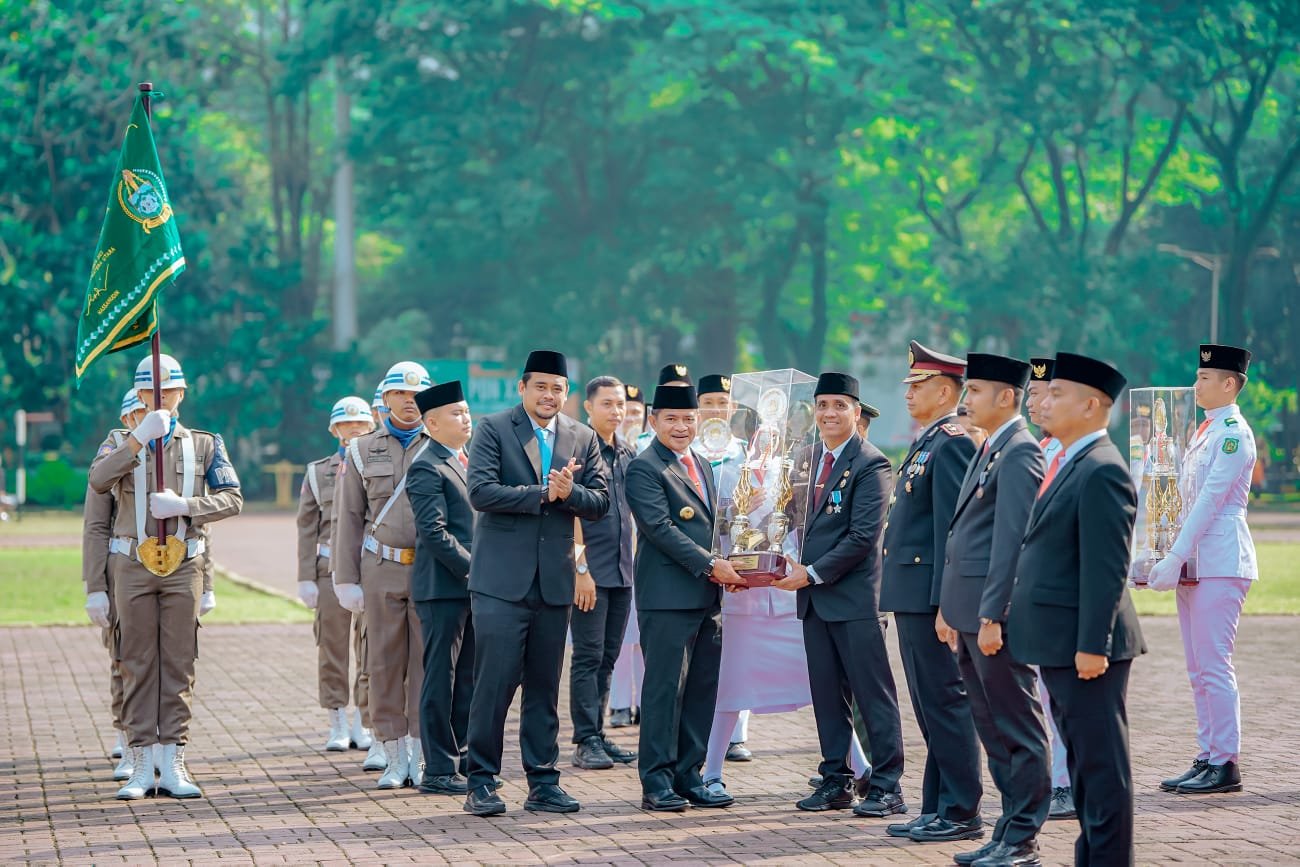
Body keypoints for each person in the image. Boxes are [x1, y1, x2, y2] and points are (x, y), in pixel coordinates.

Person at [1008, 352, 1145, 867]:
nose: (1045, 399)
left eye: (1059, 392)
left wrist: (1094, 645)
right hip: (1061, 641)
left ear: (1092, 405)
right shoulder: (1069, 460)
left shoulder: (1102, 469)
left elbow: (1106, 569)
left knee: (1103, 770)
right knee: (1087, 768)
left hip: (1087, 646)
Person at [87, 354, 243, 800]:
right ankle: (139, 762)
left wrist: (186, 507)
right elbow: (98, 481)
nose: (160, 398)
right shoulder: (117, 441)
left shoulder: (205, 444)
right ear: (138, 395)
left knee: (179, 662)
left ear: (181, 393)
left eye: (168, 390)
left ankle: (172, 759)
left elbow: (233, 498)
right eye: (150, 391)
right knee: (135, 662)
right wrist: (138, 440)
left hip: (184, 565)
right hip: (131, 566)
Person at [462, 350, 610, 816]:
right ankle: (481, 780)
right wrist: (544, 493)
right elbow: (481, 492)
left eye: (558, 388)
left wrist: (572, 493)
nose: (549, 396)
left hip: (554, 583)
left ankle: (543, 780)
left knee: (545, 687)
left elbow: (601, 501)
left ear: (567, 394)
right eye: (541, 386)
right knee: (495, 684)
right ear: (522, 388)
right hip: (500, 583)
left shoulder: (581, 436)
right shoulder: (493, 429)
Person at [773, 372, 904, 818]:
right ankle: (836, 780)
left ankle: (887, 785)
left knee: (872, 696)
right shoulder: (805, 459)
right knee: (827, 695)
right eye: (823, 404)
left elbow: (862, 536)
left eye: (839, 405)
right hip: (814, 601)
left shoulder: (872, 463)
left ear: (855, 411)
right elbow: (789, 523)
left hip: (853, 600)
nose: (829, 413)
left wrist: (810, 573)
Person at [939, 353, 1049, 867]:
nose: (967, 400)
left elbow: (1014, 544)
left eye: (976, 391)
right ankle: (1006, 829)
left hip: (992, 618)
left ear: (1007, 396)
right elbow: (963, 537)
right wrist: (950, 608)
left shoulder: (1021, 452)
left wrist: (993, 615)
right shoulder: (991, 449)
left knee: (1016, 727)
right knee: (992, 728)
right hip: (967, 614)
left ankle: (1023, 837)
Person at [878, 342, 983, 842]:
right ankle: (937, 805)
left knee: (944, 701)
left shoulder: (953, 442)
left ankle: (961, 810)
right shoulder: (929, 440)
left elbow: (952, 530)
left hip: (929, 597)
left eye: (917, 386)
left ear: (945, 391)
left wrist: (946, 603)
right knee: (927, 704)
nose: (909, 394)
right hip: (910, 592)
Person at [626, 384, 745, 812]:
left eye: (689, 418)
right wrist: (713, 565)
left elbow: (714, 530)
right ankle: (656, 780)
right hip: (667, 598)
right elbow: (660, 529)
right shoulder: (644, 468)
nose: (681, 426)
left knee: (701, 689)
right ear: (653, 420)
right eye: (671, 419)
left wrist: (736, 562)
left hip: (706, 596)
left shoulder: (702, 463)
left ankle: (689, 775)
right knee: (664, 691)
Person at [1147, 344, 1257, 796]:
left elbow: (1211, 500)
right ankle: (1207, 754)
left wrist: (1174, 556)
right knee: (1197, 667)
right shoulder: (1204, 431)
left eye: (1205, 379)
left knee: (1214, 664)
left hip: (1220, 559)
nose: (1196, 386)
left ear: (1229, 384)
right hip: (1195, 558)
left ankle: (1225, 761)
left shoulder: (1233, 433)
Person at [333, 361, 433, 790]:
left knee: (428, 664)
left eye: (416, 395)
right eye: (400, 395)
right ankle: (392, 754)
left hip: (433, 570)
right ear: (386, 399)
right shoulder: (360, 450)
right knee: (384, 663)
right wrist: (345, 578)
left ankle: (422, 753)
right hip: (382, 568)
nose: (409, 402)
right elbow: (348, 519)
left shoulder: (446, 445)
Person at [406, 380, 478, 795]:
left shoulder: (467, 460)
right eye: (456, 413)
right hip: (444, 588)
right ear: (432, 422)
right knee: (441, 677)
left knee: (468, 674)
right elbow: (433, 532)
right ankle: (437, 767)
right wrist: (474, 570)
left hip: (472, 587)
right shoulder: (426, 465)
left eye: (467, 411)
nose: (465, 418)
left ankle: (463, 756)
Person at [296, 396, 375, 756]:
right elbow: (306, 528)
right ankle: (337, 721)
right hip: (329, 570)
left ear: (372, 426)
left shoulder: (379, 465)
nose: (354, 429)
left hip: (371, 569)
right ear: (334, 430)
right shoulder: (317, 471)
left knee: (372, 650)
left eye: (361, 423)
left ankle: (364, 721)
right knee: (333, 648)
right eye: (347, 424)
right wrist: (305, 577)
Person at [568, 376, 638, 770]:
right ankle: (584, 739)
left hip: (622, 573)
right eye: (608, 404)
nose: (616, 411)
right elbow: (570, 517)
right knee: (588, 656)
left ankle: (598, 733)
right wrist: (580, 570)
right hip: (589, 574)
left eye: (621, 404)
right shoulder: (577, 452)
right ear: (588, 408)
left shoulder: (627, 454)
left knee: (608, 657)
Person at [83, 389, 147, 782]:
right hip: (119, 573)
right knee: (124, 660)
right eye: (137, 412)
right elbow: (95, 526)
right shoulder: (112, 453)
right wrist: (95, 586)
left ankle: (156, 742)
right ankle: (126, 739)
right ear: (126, 420)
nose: (145, 417)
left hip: (163, 569)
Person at [1026, 355, 1074, 820]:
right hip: (1036, 588)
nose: (1033, 402)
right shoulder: (1043, 450)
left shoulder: (1074, 455)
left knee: (1061, 693)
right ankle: (1057, 779)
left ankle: (1066, 782)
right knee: (1043, 691)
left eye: (1042, 394)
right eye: (1032, 394)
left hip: (1062, 592)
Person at [609, 382, 647, 729]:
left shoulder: (648, 449)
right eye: (626, 411)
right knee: (621, 639)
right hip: (617, 557)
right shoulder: (606, 450)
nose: (631, 417)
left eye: (637, 412)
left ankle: (645, 703)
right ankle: (620, 703)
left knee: (644, 637)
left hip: (645, 558)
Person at [635, 364, 692, 454]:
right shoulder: (643, 443)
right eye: (670, 392)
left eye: (683, 393)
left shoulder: (704, 442)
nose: (677, 397)